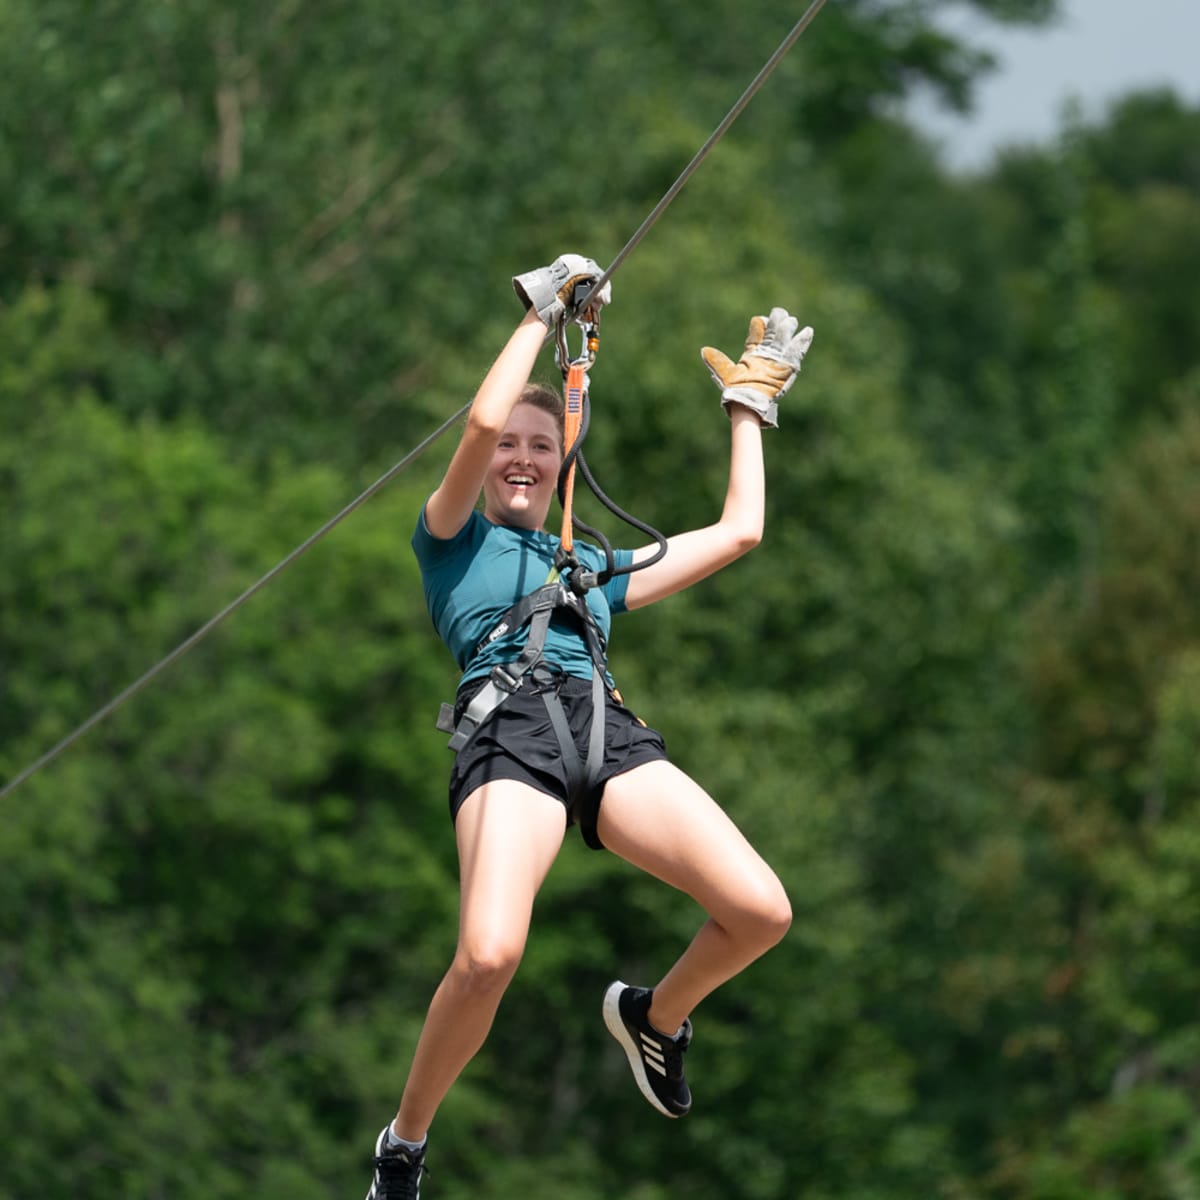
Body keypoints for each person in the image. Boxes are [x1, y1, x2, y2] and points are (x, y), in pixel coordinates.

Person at [365, 254, 814, 1199]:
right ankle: (403, 1148)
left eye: (543, 445)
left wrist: (747, 408)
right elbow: (484, 417)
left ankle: (656, 1018)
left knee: (761, 912)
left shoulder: (590, 566)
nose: (522, 457)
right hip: (510, 736)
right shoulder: (452, 540)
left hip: (602, 731)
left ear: (564, 458)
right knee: (488, 956)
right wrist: (540, 312)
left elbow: (740, 532)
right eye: (510, 449)